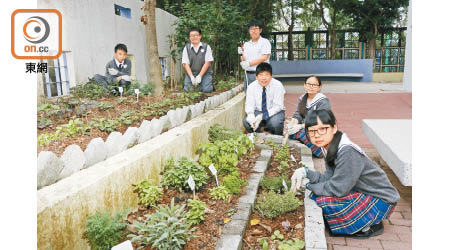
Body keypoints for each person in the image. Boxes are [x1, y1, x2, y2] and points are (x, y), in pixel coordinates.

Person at [290, 109, 400, 238]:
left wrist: (308, 186)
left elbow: (338, 189)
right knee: (319, 195)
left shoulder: (347, 151)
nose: (317, 135)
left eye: (323, 129)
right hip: (363, 191)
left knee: (324, 200)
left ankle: (369, 226)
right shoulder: (330, 147)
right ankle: (358, 220)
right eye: (312, 131)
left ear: (334, 128)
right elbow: (329, 178)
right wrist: (306, 172)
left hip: (382, 199)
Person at [286, 76, 331, 158]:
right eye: (309, 84)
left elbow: (320, 120)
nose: (311, 87)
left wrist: (299, 126)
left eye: (314, 85)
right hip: (306, 127)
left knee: (303, 134)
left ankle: (321, 150)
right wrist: (292, 124)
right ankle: (308, 144)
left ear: (319, 87)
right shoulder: (302, 98)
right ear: (304, 85)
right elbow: (298, 114)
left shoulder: (323, 101)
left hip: (319, 128)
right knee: (289, 131)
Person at [243, 62, 285, 135]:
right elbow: (249, 105)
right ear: (256, 77)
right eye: (261, 75)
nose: (264, 78)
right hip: (258, 111)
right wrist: (251, 116)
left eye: (267, 75)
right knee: (246, 122)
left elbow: (278, 106)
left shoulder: (278, 85)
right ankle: (259, 135)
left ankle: (277, 135)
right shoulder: (251, 87)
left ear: (271, 76)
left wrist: (263, 116)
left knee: (275, 123)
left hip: (274, 112)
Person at [240, 20, 271, 92]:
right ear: (249, 31)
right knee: (249, 97)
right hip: (248, 75)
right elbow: (244, 59)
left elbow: (264, 57)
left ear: (260, 30)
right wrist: (241, 54)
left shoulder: (265, 42)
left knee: (261, 97)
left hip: (261, 74)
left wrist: (249, 63)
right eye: (251, 29)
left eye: (256, 28)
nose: (253, 31)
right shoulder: (246, 44)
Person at [182, 27, 214, 93]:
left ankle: (206, 85)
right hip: (191, 73)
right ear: (189, 37)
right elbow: (186, 64)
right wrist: (191, 77)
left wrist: (200, 76)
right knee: (187, 90)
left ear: (200, 36)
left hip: (205, 73)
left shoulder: (206, 47)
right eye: (192, 36)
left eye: (196, 35)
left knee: (207, 90)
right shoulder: (186, 48)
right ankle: (198, 87)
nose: (194, 37)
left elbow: (207, 62)